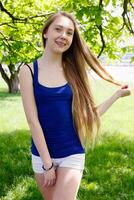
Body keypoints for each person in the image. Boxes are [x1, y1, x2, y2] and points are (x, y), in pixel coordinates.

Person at [19, 11, 131, 200]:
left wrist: (116, 95)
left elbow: (86, 115)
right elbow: (33, 121)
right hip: (41, 155)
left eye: (69, 33)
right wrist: (47, 164)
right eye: (58, 29)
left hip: (72, 152)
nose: (64, 36)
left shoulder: (75, 71)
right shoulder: (28, 70)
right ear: (46, 32)